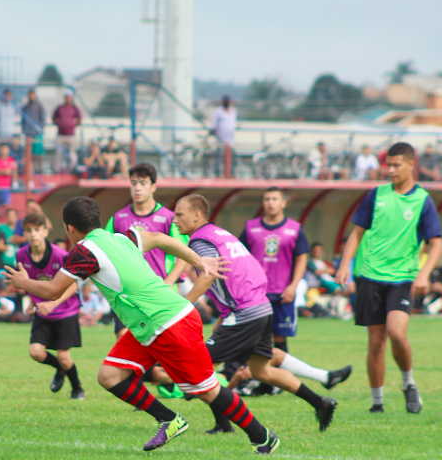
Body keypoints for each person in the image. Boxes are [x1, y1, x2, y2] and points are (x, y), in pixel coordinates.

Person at [5, 196, 280, 454]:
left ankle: (262, 436)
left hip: (170, 323)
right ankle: (169, 419)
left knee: (207, 390)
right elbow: (160, 239)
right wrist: (196, 259)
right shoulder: (121, 239)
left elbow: (53, 290)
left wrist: (24, 282)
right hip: (150, 325)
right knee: (109, 376)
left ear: (70, 228)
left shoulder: (85, 251)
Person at [173, 194, 346, 434]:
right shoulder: (222, 234)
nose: (174, 220)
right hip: (261, 307)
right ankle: (320, 402)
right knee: (261, 371)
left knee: (200, 364)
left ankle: (224, 424)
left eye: (179, 214)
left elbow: (209, 273)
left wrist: (185, 303)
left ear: (197, 215)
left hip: (244, 312)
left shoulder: (200, 239)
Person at [336, 142, 442, 414]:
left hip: (402, 278)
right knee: (376, 343)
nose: (391, 170)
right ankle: (377, 403)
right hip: (370, 276)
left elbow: (436, 243)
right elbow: (357, 233)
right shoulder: (376, 195)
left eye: (396, 165)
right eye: (388, 165)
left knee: (396, 332)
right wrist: (345, 265)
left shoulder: (422, 201)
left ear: (410, 165)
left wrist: (424, 273)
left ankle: (408, 383)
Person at [105, 163, 188, 341]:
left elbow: (184, 253)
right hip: (128, 293)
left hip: (160, 291)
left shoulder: (168, 218)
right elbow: (106, 252)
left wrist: (170, 281)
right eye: (133, 183)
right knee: (124, 336)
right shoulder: (118, 218)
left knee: (160, 342)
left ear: (153, 187)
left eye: (143, 183)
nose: (137, 187)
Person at [18, 213, 85, 399]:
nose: (33, 234)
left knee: (64, 356)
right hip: (43, 312)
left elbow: (72, 286)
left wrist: (53, 304)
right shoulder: (21, 255)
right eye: (29, 231)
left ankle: (78, 389)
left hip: (66, 311)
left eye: (37, 230)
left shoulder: (60, 255)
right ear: (24, 233)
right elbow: (29, 282)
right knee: (36, 352)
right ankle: (60, 370)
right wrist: (32, 302)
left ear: (45, 231)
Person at [240, 187, 309, 353]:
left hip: (282, 293)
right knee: (254, 336)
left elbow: (301, 259)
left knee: (280, 338)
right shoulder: (251, 227)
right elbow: (240, 256)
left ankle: (279, 378)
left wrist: (293, 286)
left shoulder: (295, 228)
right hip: (256, 292)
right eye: (267, 199)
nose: (270, 202)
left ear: (283, 203)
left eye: (274, 199)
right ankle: (256, 377)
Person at [52, 92, 81, 172]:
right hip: (61, 134)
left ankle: (71, 169)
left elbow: (79, 119)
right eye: (66, 97)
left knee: (72, 154)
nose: (68, 98)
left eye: (69, 97)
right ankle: (57, 169)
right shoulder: (60, 108)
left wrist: (72, 124)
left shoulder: (75, 108)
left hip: (71, 135)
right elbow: (54, 118)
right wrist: (59, 123)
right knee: (58, 153)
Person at [209, 95, 237, 177]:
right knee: (219, 158)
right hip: (220, 140)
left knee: (232, 158)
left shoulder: (233, 111)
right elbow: (213, 125)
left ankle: (231, 174)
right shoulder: (218, 112)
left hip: (230, 141)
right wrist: (213, 130)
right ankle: (218, 174)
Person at [21, 89, 46, 173]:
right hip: (28, 135)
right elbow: (23, 120)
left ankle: (39, 169)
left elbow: (43, 119)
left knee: (38, 154)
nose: (32, 97)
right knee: (28, 154)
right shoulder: (25, 107)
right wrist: (25, 130)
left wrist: (39, 128)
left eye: (33, 95)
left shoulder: (39, 106)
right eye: (30, 95)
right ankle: (29, 170)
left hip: (37, 134)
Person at [0, 143, 17, 210]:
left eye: (5, 149)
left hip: (5, 187)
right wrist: (3, 171)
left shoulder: (10, 160)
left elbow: (8, 172)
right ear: (0, 150)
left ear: (8, 150)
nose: (4, 151)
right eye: (2, 149)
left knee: (6, 206)